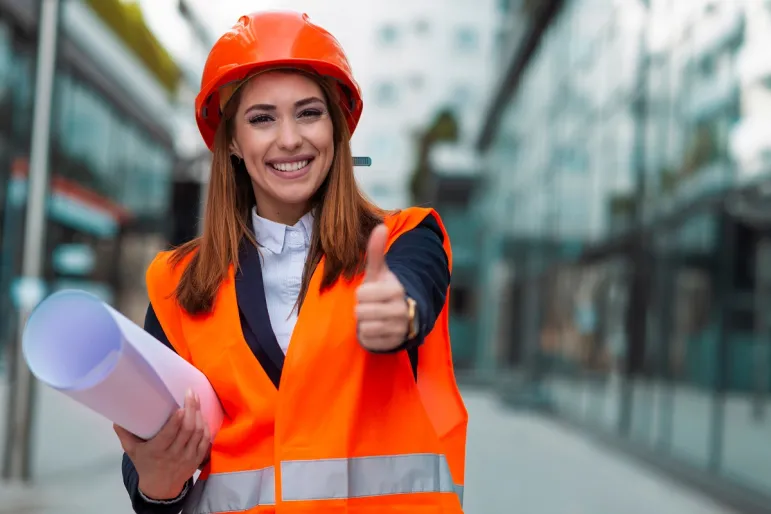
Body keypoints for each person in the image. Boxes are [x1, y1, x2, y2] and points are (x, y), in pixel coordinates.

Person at [114, 10, 468, 514]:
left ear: (336, 127)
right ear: (232, 141)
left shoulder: (404, 241)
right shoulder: (177, 286)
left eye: (308, 113)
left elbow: (416, 290)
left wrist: (401, 311)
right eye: (262, 118)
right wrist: (157, 484)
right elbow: (150, 469)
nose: (289, 139)